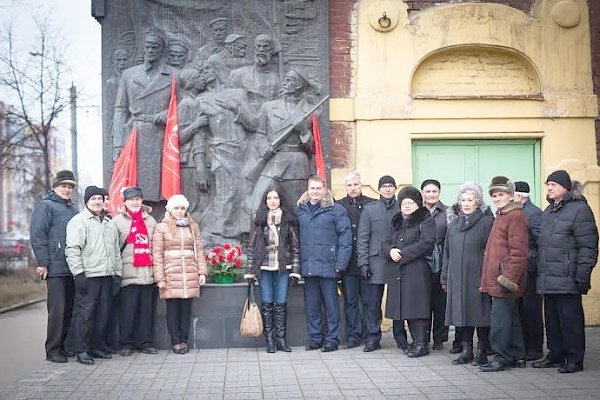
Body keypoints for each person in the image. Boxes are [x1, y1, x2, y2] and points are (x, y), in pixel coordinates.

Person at [533, 170, 598, 373]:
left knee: (570, 320)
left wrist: (582, 275)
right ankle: (555, 354)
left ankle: (574, 358)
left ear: (566, 187)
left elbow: (588, 246)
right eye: (548, 185)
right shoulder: (548, 211)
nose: (549, 188)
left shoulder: (580, 210)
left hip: (568, 277)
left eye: (553, 184)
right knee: (552, 320)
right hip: (548, 276)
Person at [112, 29, 176, 205]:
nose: (150, 50)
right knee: (133, 184)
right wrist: (118, 143)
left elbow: (181, 106)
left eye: (154, 47)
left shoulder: (173, 75)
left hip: (161, 136)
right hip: (135, 134)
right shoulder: (129, 74)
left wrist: (166, 114)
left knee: (158, 188)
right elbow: (120, 109)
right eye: (147, 46)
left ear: (161, 50)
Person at [65, 186, 122, 365]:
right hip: (89, 276)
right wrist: (78, 273)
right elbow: (73, 249)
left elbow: (115, 251)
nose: (98, 202)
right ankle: (82, 349)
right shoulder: (79, 221)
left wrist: (117, 274)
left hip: (106, 275)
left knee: (103, 313)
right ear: (87, 201)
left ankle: (97, 346)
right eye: (94, 199)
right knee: (85, 314)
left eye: (100, 198)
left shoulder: (109, 223)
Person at [297, 175, 352, 352]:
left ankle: (332, 339)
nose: (315, 192)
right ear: (308, 188)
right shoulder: (300, 209)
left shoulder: (336, 210)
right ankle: (315, 338)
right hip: (308, 265)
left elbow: (345, 238)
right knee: (312, 305)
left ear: (324, 189)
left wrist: (341, 263)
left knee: (331, 306)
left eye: (318, 188)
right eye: (312, 188)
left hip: (329, 265)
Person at [479, 176, 528, 372]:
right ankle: (517, 355)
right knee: (512, 319)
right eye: (494, 195)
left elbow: (519, 252)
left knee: (499, 322)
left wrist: (508, 278)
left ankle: (501, 357)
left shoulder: (514, 216)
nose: (497, 198)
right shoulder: (503, 215)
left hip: (504, 280)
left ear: (510, 195)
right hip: (500, 278)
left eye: (501, 194)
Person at [441, 182, 494, 366]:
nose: (466, 203)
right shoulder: (454, 224)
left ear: (478, 202)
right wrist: (445, 277)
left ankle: (482, 351)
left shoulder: (487, 223)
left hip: (478, 277)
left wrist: (488, 277)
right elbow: (446, 253)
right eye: (463, 200)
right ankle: (466, 350)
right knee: (462, 314)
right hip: (457, 277)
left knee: (480, 314)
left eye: (470, 200)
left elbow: (492, 253)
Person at [244, 183, 301, 353]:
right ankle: (270, 342)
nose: (272, 201)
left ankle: (281, 340)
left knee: (281, 303)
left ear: (281, 200)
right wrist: (249, 271)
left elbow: (296, 248)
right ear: (265, 201)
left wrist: (296, 271)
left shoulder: (289, 220)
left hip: (283, 267)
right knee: (267, 303)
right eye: (269, 198)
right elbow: (251, 247)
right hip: (264, 267)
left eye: (275, 198)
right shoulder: (259, 219)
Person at [30, 170, 79, 363]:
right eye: (63, 186)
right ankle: (52, 350)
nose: (67, 190)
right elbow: (37, 236)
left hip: (71, 267)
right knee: (57, 310)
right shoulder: (46, 206)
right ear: (54, 187)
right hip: (55, 268)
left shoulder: (73, 210)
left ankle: (66, 346)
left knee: (69, 308)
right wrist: (43, 262)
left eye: (70, 186)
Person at [250, 68, 316, 210]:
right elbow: (260, 135)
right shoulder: (268, 107)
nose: (284, 83)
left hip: (297, 166)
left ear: (298, 85)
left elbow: (314, 148)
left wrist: (303, 131)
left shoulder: (311, 111)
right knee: (257, 204)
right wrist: (263, 148)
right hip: (273, 161)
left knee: (297, 208)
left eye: (288, 80)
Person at [383, 186, 435, 357]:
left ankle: (421, 345)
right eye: (404, 203)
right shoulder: (397, 221)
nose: (406, 206)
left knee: (417, 308)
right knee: (406, 308)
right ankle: (415, 343)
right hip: (398, 272)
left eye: (410, 202)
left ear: (418, 204)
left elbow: (426, 243)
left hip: (416, 271)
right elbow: (385, 241)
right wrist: (390, 250)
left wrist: (402, 254)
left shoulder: (425, 220)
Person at [152, 194, 207, 354]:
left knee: (186, 309)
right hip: (171, 273)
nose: (180, 211)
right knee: (173, 309)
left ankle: (184, 340)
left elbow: (199, 250)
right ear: (170, 209)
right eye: (176, 208)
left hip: (189, 273)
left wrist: (202, 272)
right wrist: (160, 278)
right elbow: (157, 254)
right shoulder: (161, 227)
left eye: (182, 208)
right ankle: (175, 341)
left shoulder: (192, 227)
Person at [112, 187, 158, 356]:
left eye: (138, 199)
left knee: (146, 312)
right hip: (128, 274)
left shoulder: (151, 221)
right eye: (131, 199)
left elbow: (155, 247)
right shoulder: (116, 222)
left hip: (147, 274)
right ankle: (126, 343)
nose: (135, 202)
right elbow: (114, 249)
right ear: (124, 202)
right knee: (127, 312)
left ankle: (145, 342)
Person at [355, 175, 397, 352]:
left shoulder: (403, 207)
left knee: (398, 301)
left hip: (397, 260)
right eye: (384, 186)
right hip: (375, 263)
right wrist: (363, 263)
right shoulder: (370, 210)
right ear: (379, 189)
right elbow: (363, 238)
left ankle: (400, 337)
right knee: (372, 303)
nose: (387, 189)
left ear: (395, 188)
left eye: (390, 186)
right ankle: (372, 337)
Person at [336, 172, 376, 349]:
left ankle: (370, 335)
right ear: (346, 187)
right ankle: (353, 335)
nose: (352, 188)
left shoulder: (372, 204)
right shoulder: (339, 206)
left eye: (355, 185)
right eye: (349, 185)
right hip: (349, 261)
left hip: (367, 261)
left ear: (361, 185)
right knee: (350, 301)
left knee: (369, 301)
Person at [513, 181, 544, 361]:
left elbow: (541, 241)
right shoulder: (515, 211)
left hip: (530, 268)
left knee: (531, 309)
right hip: (517, 267)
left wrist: (530, 259)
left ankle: (535, 349)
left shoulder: (534, 213)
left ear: (519, 197)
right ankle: (522, 346)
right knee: (518, 309)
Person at [420, 179, 449, 351]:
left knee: (440, 303)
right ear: (423, 193)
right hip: (421, 262)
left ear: (439, 193)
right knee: (423, 303)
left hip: (442, 261)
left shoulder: (448, 212)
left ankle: (439, 339)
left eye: (434, 191)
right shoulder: (418, 212)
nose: (431, 194)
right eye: (428, 191)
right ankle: (422, 337)